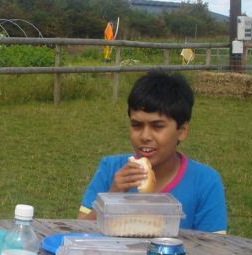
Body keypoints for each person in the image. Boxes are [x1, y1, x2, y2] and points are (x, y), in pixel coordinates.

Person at [78, 69, 227, 233]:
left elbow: (214, 245)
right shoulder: (111, 169)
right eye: (136, 125)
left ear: (182, 131)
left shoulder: (205, 182)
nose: (145, 136)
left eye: (157, 126)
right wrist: (111, 196)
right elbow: (80, 231)